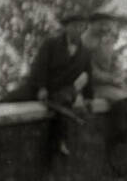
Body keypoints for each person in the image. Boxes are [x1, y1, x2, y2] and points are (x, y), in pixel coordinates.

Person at [13, 10, 93, 159]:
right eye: (75, 26)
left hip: (63, 92)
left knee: (63, 103)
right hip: (39, 88)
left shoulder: (85, 52)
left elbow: (88, 75)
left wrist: (89, 97)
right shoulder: (51, 43)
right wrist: (42, 87)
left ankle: (59, 142)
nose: (78, 30)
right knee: (7, 101)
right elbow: (39, 67)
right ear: (67, 27)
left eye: (82, 27)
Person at [81, 9, 127, 148]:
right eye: (101, 24)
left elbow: (113, 60)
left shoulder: (107, 40)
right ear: (92, 24)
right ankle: (118, 135)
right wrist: (110, 79)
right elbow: (88, 71)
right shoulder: (85, 43)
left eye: (107, 24)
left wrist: (118, 74)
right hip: (91, 85)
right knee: (121, 100)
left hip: (107, 82)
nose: (105, 28)